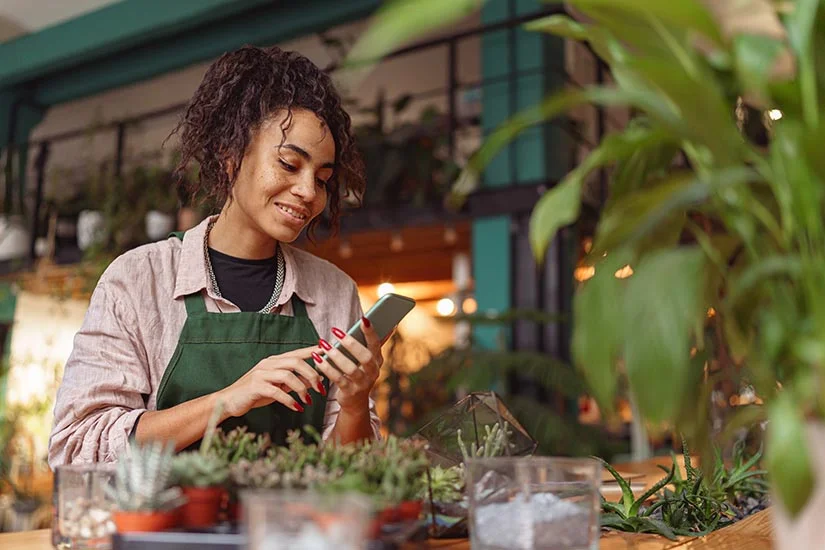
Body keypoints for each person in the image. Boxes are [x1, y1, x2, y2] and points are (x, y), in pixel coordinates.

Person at [48, 46, 383, 467]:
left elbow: (355, 477)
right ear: (230, 156)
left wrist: (355, 403)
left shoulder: (334, 291)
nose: (308, 192)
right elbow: (76, 447)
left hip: (287, 532)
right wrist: (225, 402)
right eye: (288, 164)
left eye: (322, 178)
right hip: (164, 532)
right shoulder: (138, 280)